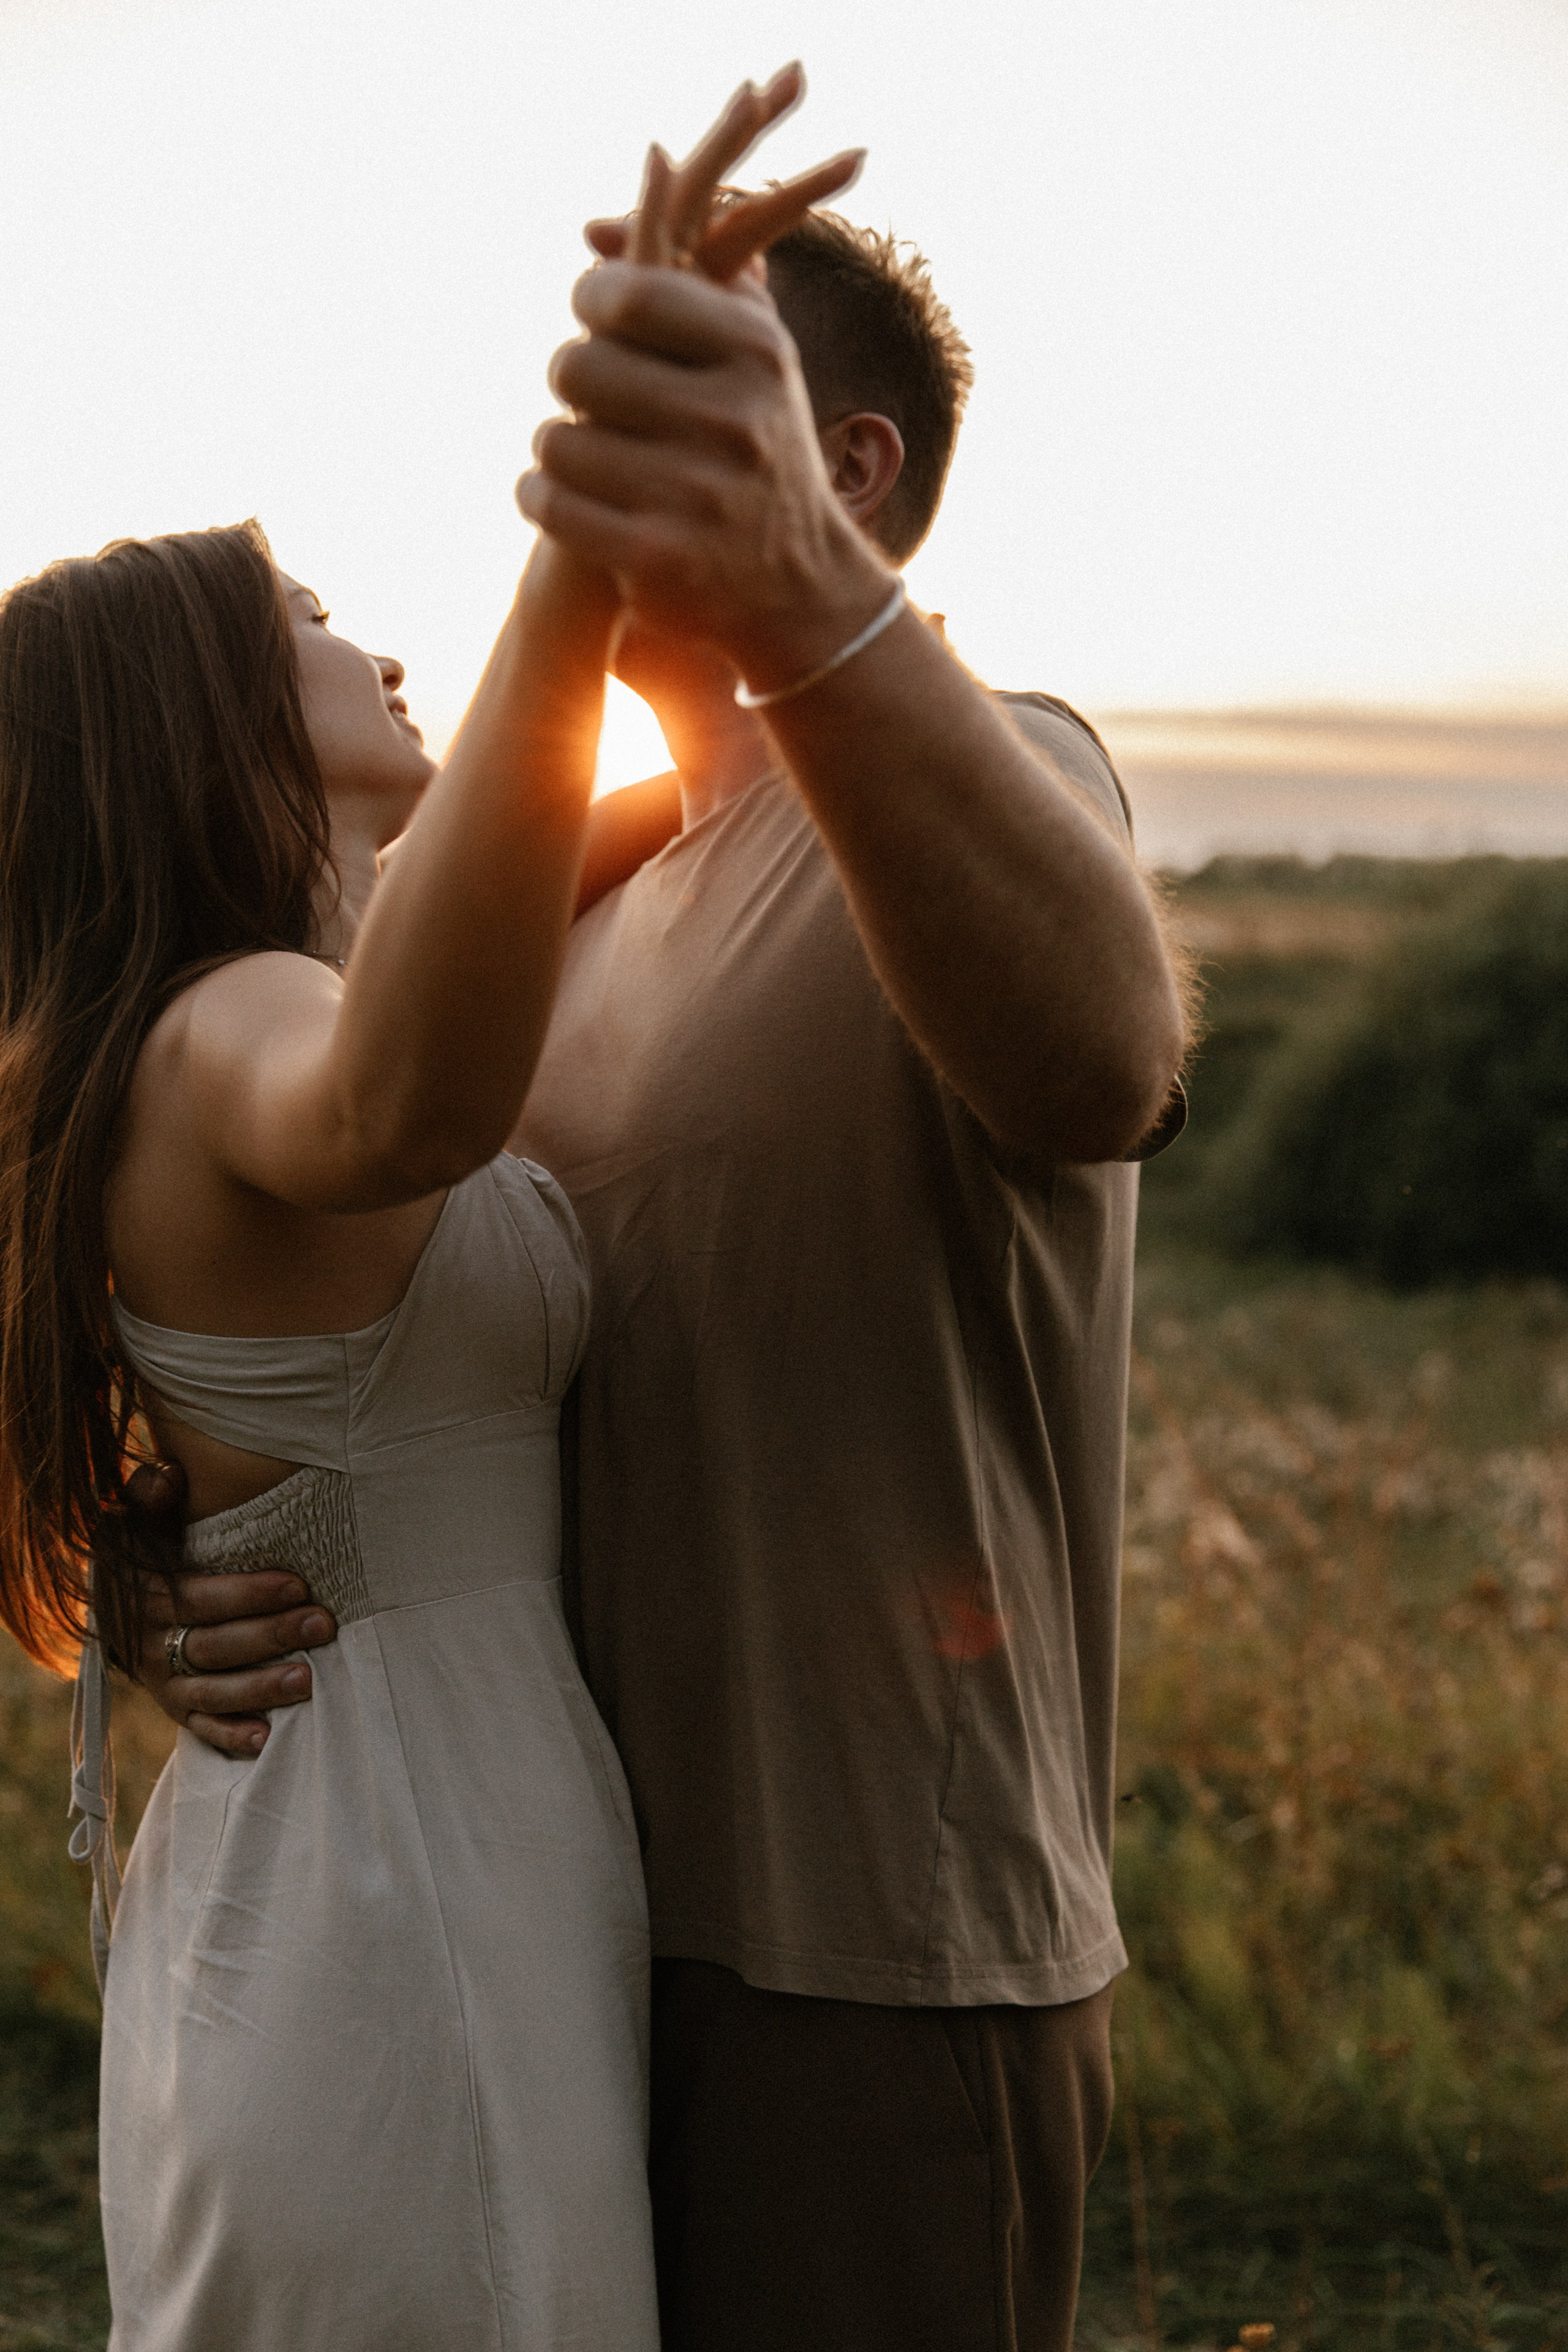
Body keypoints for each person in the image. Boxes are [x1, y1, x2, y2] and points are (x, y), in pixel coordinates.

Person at [134, 172, 1190, 2351]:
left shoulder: (995, 784)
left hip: (868, 1950)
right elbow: (334, 1296)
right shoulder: (579, 916)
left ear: (849, 468)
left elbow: (1103, 1062)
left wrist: (803, 598)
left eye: (685, 406)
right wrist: (175, 1546)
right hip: (549, 1914)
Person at [1, 73, 859, 2351]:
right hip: (395, 1901)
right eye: (300, 613)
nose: (368, 641)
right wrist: (580, 531)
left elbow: (669, 808)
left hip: (410, 1846)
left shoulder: (242, 994)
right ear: (197, 726)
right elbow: (407, 1093)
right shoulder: (235, 1028)